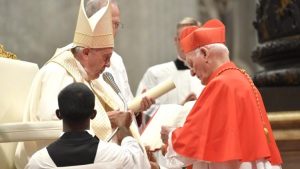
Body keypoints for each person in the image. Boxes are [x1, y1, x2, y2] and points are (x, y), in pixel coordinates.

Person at [15, 1, 151, 168]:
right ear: (86, 52)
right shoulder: (56, 72)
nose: (109, 64)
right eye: (105, 57)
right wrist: (106, 121)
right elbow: (51, 121)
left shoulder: (90, 75)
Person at [160, 19, 282, 169]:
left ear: (204, 53)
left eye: (191, 64)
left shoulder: (221, 85)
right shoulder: (239, 78)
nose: (191, 72)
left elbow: (196, 137)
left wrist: (171, 136)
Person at [25, 82, 149, 169]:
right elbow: (139, 162)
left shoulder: (39, 162)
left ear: (59, 114)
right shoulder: (114, 155)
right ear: (94, 114)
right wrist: (123, 127)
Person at [136, 17, 204, 106]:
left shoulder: (210, 75)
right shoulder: (154, 74)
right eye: (183, 38)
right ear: (176, 40)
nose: (188, 44)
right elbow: (141, 112)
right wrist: (181, 109)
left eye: (192, 38)